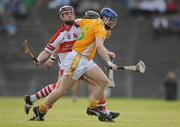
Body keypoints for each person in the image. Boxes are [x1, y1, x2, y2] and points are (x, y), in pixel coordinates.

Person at [24, 6, 119, 121]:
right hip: (75, 60)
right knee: (61, 90)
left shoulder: (85, 23)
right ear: (105, 19)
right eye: (66, 13)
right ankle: (40, 109)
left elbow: (89, 34)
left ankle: (95, 108)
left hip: (85, 60)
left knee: (102, 82)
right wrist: (108, 62)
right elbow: (98, 45)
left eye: (71, 13)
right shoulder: (70, 30)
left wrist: (107, 50)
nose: (69, 15)